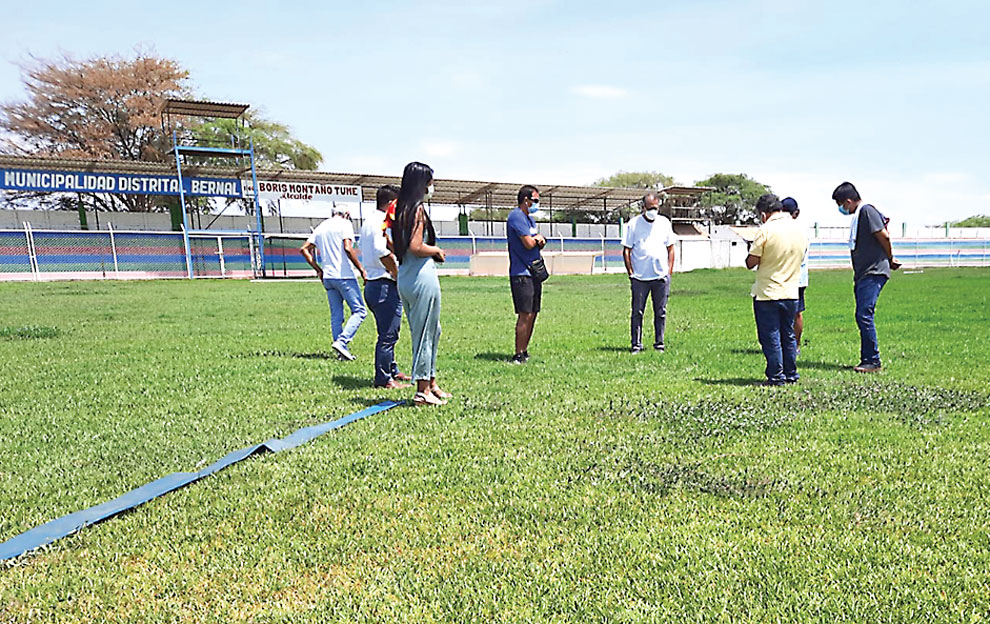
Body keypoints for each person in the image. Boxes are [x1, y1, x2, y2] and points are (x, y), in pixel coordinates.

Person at [392, 162, 451, 407]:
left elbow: (397, 246)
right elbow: (416, 247)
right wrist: (436, 250)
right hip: (420, 277)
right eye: (429, 182)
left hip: (405, 276)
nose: (431, 187)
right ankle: (422, 390)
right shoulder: (416, 210)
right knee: (425, 333)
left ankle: (431, 382)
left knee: (431, 331)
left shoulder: (399, 210)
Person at [832, 181, 902, 372]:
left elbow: (883, 236)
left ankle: (873, 360)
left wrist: (890, 257)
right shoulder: (860, 214)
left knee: (864, 314)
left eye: (841, 205)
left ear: (848, 201)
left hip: (873, 271)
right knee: (862, 314)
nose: (841, 209)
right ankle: (868, 358)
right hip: (864, 272)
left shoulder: (867, 211)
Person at [745, 193, 808, 385]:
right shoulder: (799, 230)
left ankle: (775, 375)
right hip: (791, 292)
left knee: (770, 335)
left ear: (764, 214)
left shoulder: (766, 230)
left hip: (768, 292)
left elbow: (751, 262)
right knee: (788, 335)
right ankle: (791, 373)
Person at [360, 184, 412, 389]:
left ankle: (392, 369)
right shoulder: (381, 221)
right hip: (383, 284)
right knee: (388, 334)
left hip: (373, 283)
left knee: (388, 331)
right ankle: (384, 379)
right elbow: (382, 251)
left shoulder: (368, 221)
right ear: (392, 203)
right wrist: (398, 274)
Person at [301, 207, 367, 361]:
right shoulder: (345, 225)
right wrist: (362, 270)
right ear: (347, 214)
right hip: (344, 275)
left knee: (336, 315)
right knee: (359, 311)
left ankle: (340, 352)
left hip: (328, 277)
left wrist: (318, 270)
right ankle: (342, 342)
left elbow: (304, 249)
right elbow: (348, 248)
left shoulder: (321, 226)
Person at [622, 192, 675, 353]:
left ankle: (659, 343)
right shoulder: (633, 224)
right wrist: (631, 272)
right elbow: (627, 250)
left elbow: (671, 248)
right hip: (640, 278)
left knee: (661, 312)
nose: (654, 211)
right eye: (651, 208)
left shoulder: (664, 223)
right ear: (643, 208)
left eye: (656, 208)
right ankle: (636, 345)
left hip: (660, 276)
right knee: (637, 312)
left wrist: (669, 271)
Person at [506, 185, 547, 364]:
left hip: (533, 273)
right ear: (526, 200)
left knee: (533, 313)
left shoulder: (530, 220)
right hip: (521, 274)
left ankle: (525, 349)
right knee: (525, 314)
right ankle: (517, 353)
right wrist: (536, 240)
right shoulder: (516, 217)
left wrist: (539, 240)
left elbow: (537, 240)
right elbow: (529, 243)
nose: (536, 204)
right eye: (535, 200)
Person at [782, 197, 808, 353]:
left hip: (796, 278)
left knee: (796, 313)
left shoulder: (800, 231)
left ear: (796, 214)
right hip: (785, 277)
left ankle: (795, 345)